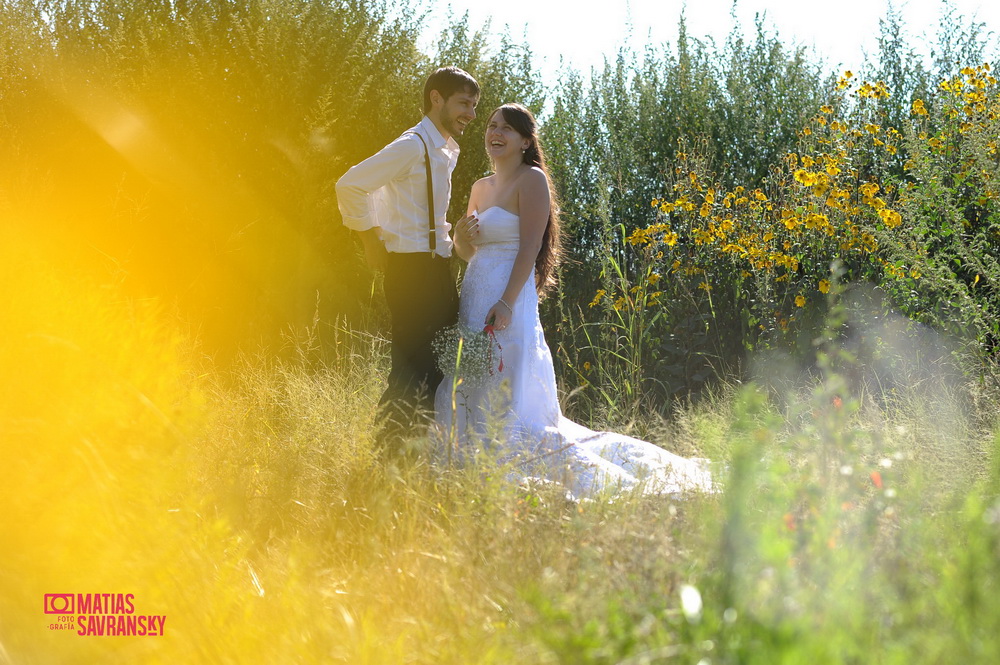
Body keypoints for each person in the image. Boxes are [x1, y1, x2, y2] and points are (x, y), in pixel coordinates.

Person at [434, 103, 712, 498]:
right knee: (472, 378)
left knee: (508, 384)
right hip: (476, 291)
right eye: (491, 126)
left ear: (525, 140)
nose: (495, 133)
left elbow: (530, 246)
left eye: (506, 129)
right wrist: (462, 236)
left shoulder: (532, 180)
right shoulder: (480, 187)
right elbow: (467, 252)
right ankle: (463, 457)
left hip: (509, 295)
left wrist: (508, 302)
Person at [336, 66, 480, 451]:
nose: (471, 113)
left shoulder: (443, 149)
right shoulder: (413, 145)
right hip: (412, 271)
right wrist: (371, 240)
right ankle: (386, 456)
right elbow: (350, 184)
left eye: (474, 105)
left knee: (433, 369)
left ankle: (411, 453)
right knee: (409, 371)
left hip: (435, 267)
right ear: (437, 98)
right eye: (464, 103)